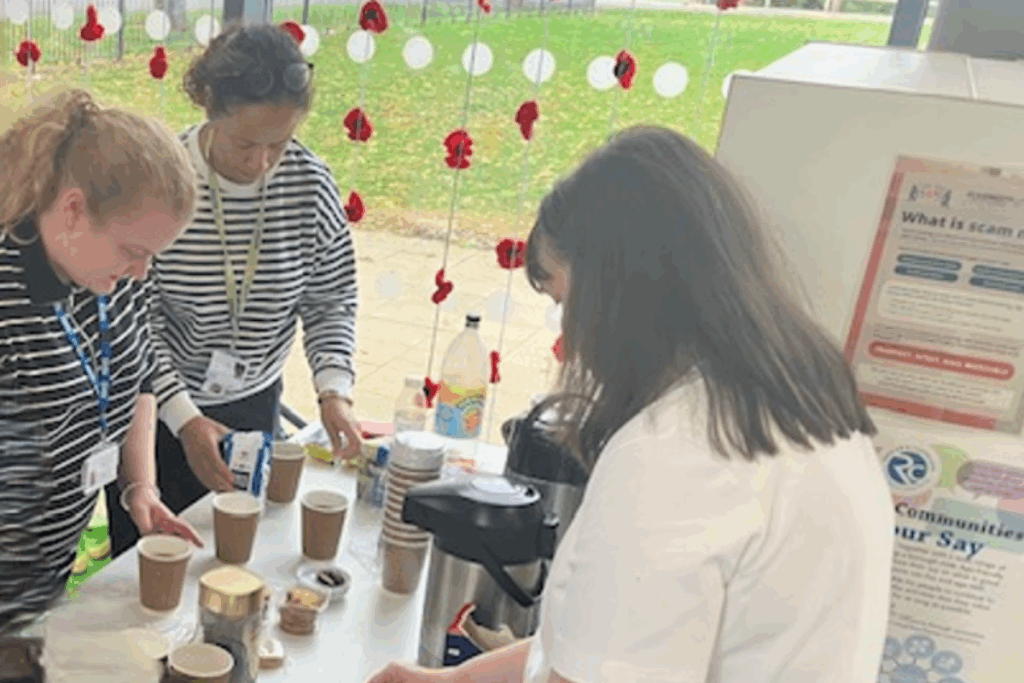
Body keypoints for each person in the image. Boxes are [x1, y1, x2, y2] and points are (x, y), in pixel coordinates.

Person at [367, 127, 895, 682]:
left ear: (623, 289)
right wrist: (456, 680)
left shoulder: (676, 454)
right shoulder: (802, 403)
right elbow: (605, 649)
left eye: (567, 302)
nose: (569, 338)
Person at [106, 23, 361, 557]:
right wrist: (184, 417)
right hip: (155, 408)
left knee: (240, 556)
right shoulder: (166, 180)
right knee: (152, 569)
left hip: (253, 401)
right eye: (246, 143)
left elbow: (330, 298)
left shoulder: (309, 185)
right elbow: (134, 319)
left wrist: (333, 391)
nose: (261, 162)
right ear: (209, 108)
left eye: (280, 143)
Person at [0, 88, 202, 633]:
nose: (141, 273)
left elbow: (135, 380)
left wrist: (141, 490)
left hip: (47, 575)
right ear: (72, 210)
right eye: (133, 251)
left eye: (151, 256)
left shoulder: (116, 277)